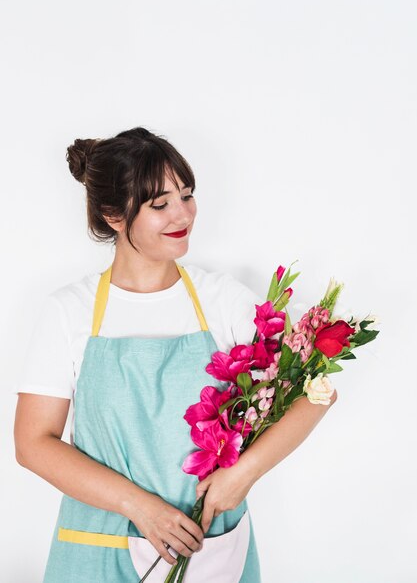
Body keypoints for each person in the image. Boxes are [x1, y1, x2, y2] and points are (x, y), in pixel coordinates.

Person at [13, 126, 337, 582]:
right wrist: (137, 506)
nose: (182, 214)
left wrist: (242, 475)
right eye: (160, 204)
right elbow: (32, 444)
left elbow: (316, 388)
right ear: (113, 215)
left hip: (211, 549)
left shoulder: (222, 299)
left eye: (186, 195)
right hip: (99, 550)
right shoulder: (68, 312)